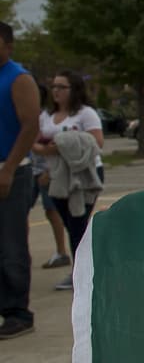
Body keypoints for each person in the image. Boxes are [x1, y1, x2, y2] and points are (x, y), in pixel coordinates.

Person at [31, 70, 105, 291]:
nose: (56, 91)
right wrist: (49, 150)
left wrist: (63, 145)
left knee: (78, 224)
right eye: (54, 87)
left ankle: (83, 274)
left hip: (83, 177)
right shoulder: (46, 116)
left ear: (74, 90)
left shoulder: (85, 114)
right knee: (70, 225)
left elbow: (96, 142)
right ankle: (80, 271)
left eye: (61, 87)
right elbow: (34, 143)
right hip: (55, 177)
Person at [0, 22, 40, 339]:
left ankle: (18, 311)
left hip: (12, 169)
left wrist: (9, 168)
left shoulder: (18, 78)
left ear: (9, 45)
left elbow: (29, 126)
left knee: (11, 243)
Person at [28, 83, 71, 268]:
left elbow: (45, 144)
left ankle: (62, 252)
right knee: (18, 212)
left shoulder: (44, 116)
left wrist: (48, 170)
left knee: (52, 210)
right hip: (26, 169)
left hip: (46, 170)